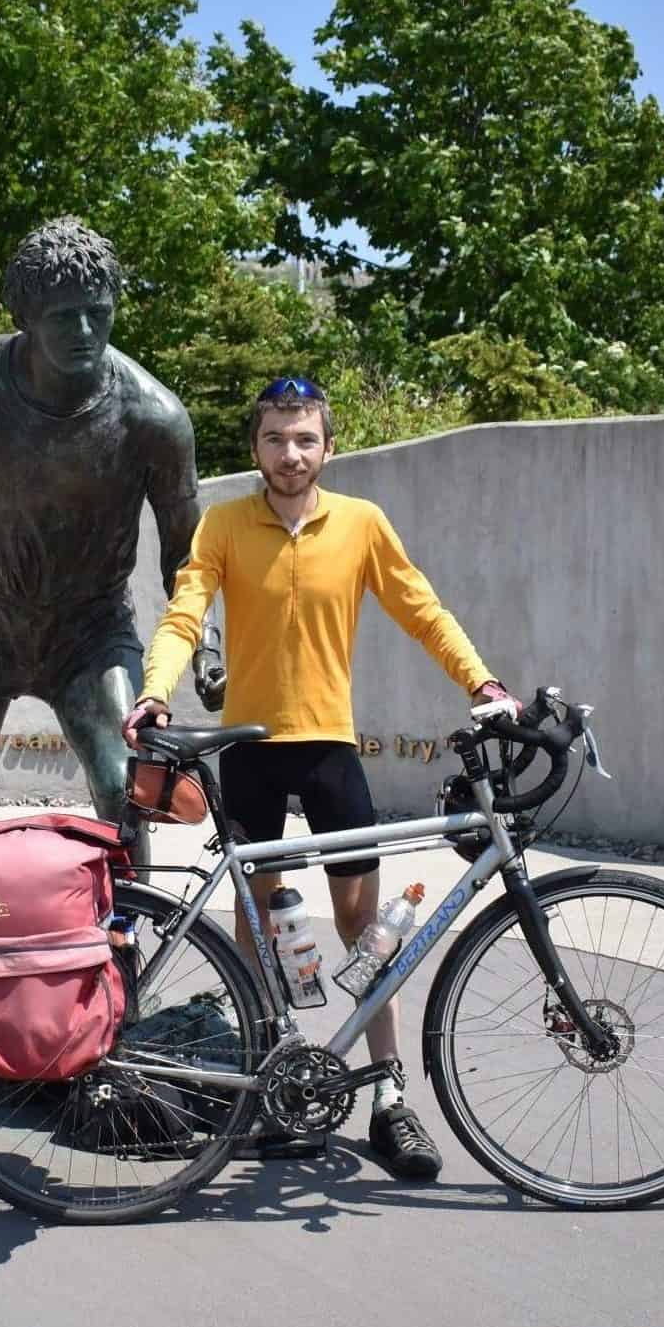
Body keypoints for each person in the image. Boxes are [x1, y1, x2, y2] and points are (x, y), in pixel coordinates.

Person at [122, 377, 516, 1178]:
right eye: (275, 438)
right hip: (253, 749)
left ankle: (389, 1096)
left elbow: (421, 608)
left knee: (364, 929)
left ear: (327, 447)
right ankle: (277, 1078)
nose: (290, 453)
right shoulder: (226, 524)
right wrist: (156, 689)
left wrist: (482, 682)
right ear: (256, 447)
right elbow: (183, 612)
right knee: (259, 928)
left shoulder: (361, 523)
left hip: (331, 746)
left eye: (305, 439)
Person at [0, 216, 221, 829]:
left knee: (122, 785)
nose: (85, 332)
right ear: (25, 315)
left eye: (97, 313)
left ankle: (128, 922)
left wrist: (205, 644)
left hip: (91, 629)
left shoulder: (153, 418)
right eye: (63, 316)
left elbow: (186, 555)